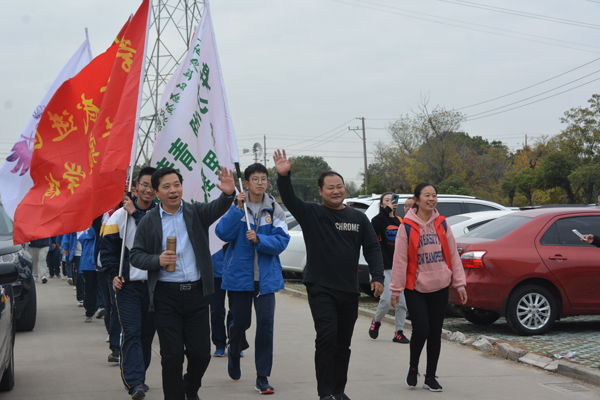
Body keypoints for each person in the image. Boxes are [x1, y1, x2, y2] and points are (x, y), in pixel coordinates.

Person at [273, 149, 384, 400]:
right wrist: (284, 176)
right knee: (326, 337)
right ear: (320, 191)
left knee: (343, 343)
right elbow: (289, 198)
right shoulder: (312, 213)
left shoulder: (358, 218)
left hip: (349, 289)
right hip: (320, 287)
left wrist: (378, 276)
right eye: (330, 187)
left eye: (340, 186)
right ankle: (325, 393)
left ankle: (338, 390)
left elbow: (372, 248)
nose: (336, 191)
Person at [130, 166, 235, 400]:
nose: (173, 190)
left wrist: (228, 194)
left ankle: (190, 387)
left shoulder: (195, 212)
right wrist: (157, 260)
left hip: (197, 295)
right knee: (172, 357)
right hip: (166, 296)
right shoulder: (149, 221)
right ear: (157, 192)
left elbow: (218, 207)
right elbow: (135, 255)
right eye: (166, 186)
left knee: (201, 355)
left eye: (177, 184)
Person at [215, 163, 290, 394]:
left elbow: (282, 240)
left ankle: (262, 377)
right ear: (246, 183)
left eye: (263, 179)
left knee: (266, 327)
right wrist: (237, 209)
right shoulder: (238, 206)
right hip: (239, 279)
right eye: (255, 179)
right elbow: (222, 233)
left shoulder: (274, 209)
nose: (260, 183)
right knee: (240, 323)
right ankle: (234, 351)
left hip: (266, 280)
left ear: (268, 182)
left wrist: (259, 239)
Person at [390, 182, 468, 392]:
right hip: (415, 288)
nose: (431, 199)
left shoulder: (442, 223)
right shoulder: (407, 226)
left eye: (434, 195)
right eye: (427, 195)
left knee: (435, 332)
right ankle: (413, 368)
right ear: (416, 200)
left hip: (440, 286)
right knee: (421, 329)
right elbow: (400, 259)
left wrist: (459, 283)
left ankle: (431, 376)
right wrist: (396, 289)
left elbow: (453, 254)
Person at [100, 167, 157, 400]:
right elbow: (107, 250)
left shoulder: (161, 214)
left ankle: (140, 375)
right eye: (144, 185)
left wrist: (136, 213)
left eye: (153, 186)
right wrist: (113, 274)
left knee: (147, 335)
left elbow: (155, 237)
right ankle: (135, 383)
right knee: (132, 333)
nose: (148, 190)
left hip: (154, 286)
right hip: (128, 287)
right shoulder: (118, 216)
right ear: (136, 187)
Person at [368, 193, 410, 344]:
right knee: (386, 300)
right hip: (384, 267)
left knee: (402, 303)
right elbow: (373, 231)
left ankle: (399, 332)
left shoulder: (399, 221)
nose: (390, 202)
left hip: (399, 268)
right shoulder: (378, 220)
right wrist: (386, 211)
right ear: (381, 205)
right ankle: (376, 321)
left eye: (392, 200)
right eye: (386, 201)